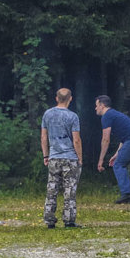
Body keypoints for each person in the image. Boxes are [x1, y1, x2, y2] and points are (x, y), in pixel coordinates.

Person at [41, 88, 83, 229]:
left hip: (54, 156)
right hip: (70, 157)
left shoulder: (47, 114)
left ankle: (49, 219)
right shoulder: (73, 117)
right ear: (70, 99)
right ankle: (69, 220)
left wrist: (46, 155)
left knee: (52, 189)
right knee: (69, 191)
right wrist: (80, 158)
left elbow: (44, 137)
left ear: (56, 98)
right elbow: (76, 140)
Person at [95, 95, 130, 203]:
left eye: (96, 105)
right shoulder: (113, 114)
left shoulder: (107, 116)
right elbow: (124, 137)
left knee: (118, 164)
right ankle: (127, 194)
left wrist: (100, 160)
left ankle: (127, 195)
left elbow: (105, 139)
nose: (95, 108)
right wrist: (117, 154)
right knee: (118, 162)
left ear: (102, 105)